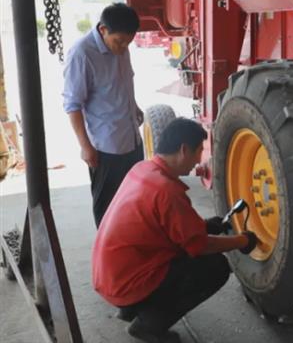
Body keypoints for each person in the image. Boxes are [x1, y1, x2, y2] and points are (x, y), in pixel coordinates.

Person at [92, 118, 257, 343]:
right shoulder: (167, 191)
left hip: (109, 277)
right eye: (199, 151)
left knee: (187, 252)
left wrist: (206, 225)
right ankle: (148, 326)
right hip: (126, 285)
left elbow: (161, 226)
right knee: (215, 268)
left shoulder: (142, 169)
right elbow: (200, 246)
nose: (199, 160)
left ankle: (131, 309)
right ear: (183, 150)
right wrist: (242, 241)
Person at [63, 2, 144, 228]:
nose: (123, 47)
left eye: (128, 42)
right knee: (108, 209)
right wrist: (85, 146)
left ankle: (134, 251)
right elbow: (72, 104)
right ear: (102, 30)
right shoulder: (82, 54)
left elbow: (123, 83)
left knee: (134, 202)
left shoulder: (122, 47)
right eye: (119, 42)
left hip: (131, 139)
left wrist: (134, 107)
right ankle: (110, 259)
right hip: (106, 148)